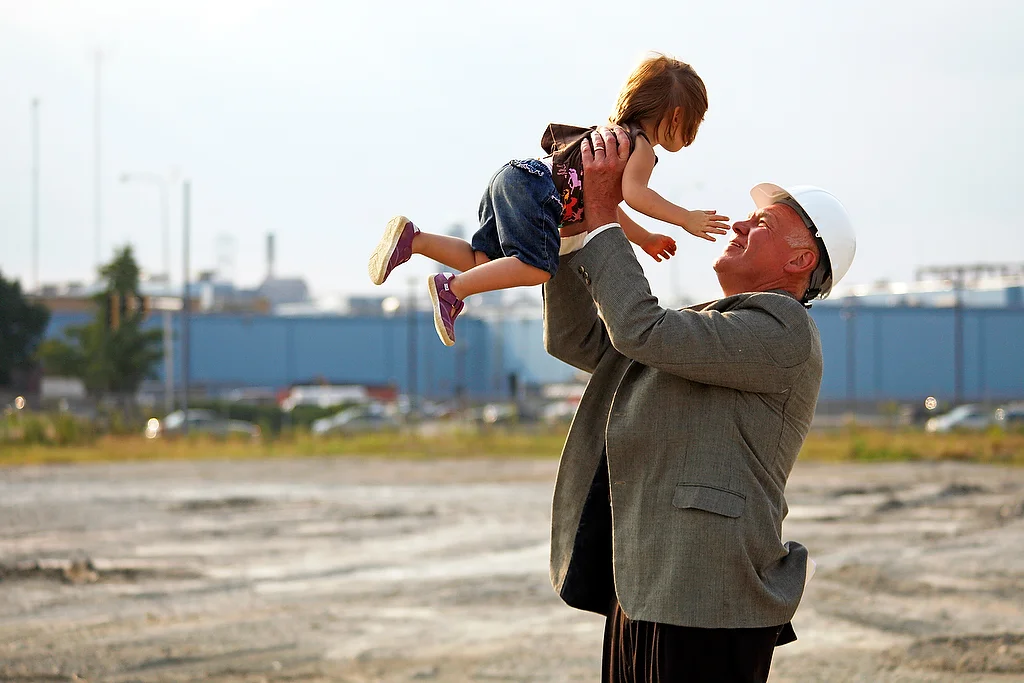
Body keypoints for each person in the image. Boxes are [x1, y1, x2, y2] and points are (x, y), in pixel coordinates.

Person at [543, 126, 856, 682]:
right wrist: (571, 228)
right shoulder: (717, 323)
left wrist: (604, 213)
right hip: (647, 583)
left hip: (706, 594)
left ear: (800, 259)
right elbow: (580, 341)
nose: (738, 224)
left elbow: (639, 329)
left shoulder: (784, 330)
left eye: (761, 224)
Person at [367, 54, 728, 347]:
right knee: (537, 267)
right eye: (693, 127)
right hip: (539, 192)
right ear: (677, 116)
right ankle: (453, 289)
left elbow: (607, 205)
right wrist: (684, 217)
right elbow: (635, 194)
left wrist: (644, 238)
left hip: (516, 177)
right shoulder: (641, 147)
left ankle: (413, 240)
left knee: (486, 261)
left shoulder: (609, 134)